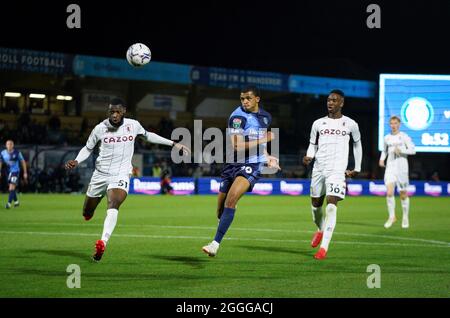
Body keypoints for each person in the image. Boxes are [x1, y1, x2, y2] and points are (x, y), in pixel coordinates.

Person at [65, 98, 190, 261]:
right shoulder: (100, 128)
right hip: (100, 175)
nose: (115, 115)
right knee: (87, 212)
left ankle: (103, 242)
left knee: (114, 203)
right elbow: (88, 148)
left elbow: (148, 136)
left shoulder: (133, 125)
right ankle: (90, 211)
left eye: (118, 112)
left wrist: (174, 144)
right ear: (108, 112)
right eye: (112, 112)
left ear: (123, 111)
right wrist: (76, 160)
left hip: (121, 174)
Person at [202, 86, 280, 257]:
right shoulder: (237, 117)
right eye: (242, 98)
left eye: (248, 98)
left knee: (231, 200)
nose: (244, 101)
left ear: (257, 99)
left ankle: (215, 244)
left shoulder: (266, 117)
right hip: (231, 164)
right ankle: (223, 222)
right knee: (221, 210)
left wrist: (267, 156)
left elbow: (261, 144)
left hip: (252, 164)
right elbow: (237, 145)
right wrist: (264, 139)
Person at [303, 89, 362, 260]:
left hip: (337, 170)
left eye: (334, 100)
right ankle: (320, 229)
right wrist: (309, 156)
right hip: (319, 168)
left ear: (341, 103)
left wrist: (357, 167)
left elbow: (357, 145)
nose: (330, 103)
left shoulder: (350, 124)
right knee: (315, 205)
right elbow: (312, 144)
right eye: (329, 100)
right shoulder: (318, 123)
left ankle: (324, 248)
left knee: (331, 204)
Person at [379, 115, 416, 229]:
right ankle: (392, 216)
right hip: (390, 167)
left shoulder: (404, 137)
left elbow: (413, 150)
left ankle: (405, 217)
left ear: (399, 124)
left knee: (403, 194)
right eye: (391, 123)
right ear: (389, 125)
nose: (393, 125)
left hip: (402, 169)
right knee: (389, 192)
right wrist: (381, 159)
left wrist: (402, 150)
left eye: (395, 123)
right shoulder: (387, 138)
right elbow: (384, 151)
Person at [0, 140, 28, 209]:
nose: (9, 145)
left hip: (15, 171)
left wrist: (25, 172)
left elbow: (23, 162)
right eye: (8, 144)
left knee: (11, 187)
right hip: (9, 172)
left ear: (13, 145)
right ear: (6, 145)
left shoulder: (17, 153)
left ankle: (9, 204)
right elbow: (0, 162)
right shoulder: (3, 153)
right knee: (11, 188)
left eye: (10, 144)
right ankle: (16, 202)